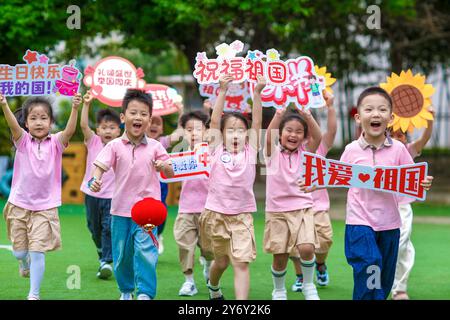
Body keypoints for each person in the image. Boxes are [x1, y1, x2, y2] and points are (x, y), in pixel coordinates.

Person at [300, 86, 433, 300]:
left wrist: (421, 182)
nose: (375, 114)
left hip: (390, 224)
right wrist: (317, 182)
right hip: (359, 221)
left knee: (384, 278)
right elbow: (337, 175)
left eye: (382, 110)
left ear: (390, 117)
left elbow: (411, 178)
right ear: (358, 117)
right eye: (369, 109)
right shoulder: (352, 149)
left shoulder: (398, 149)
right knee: (370, 262)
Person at [88, 89, 174, 300]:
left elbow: (170, 170)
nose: (139, 117)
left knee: (146, 252)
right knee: (122, 256)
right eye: (134, 113)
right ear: (123, 117)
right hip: (120, 210)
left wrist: (164, 165)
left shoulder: (155, 147)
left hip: (147, 211)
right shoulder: (115, 145)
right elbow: (99, 166)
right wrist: (95, 180)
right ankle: (126, 291)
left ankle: (145, 293)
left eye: (144, 114)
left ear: (149, 119)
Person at [1, 91, 81, 300]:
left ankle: (34, 295)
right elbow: (12, 125)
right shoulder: (23, 141)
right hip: (19, 204)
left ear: (51, 122)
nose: (39, 122)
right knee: (20, 252)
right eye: (33, 118)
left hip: (45, 207)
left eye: (44, 117)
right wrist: (3, 104)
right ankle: (22, 261)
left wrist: (74, 108)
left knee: (38, 251)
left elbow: (70, 130)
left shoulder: (56, 142)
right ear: (26, 123)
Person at [199, 74, 264, 300]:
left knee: (241, 263)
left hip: (242, 216)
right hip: (216, 214)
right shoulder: (216, 149)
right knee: (221, 262)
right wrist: (223, 91)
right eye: (231, 130)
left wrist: (256, 94)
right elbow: (215, 121)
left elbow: (256, 122)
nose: (236, 134)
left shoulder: (250, 150)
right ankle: (214, 287)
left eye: (240, 130)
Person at [264, 95, 326, 300]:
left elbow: (318, 137)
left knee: (307, 248)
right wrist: (279, 113)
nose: (293, 135)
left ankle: (309, 285)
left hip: (303, 207)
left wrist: (307, 114)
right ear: (280, 133)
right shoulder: (271, 153)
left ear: (304, 136)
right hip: (277, 210)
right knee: (280, 255)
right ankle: (279, 290)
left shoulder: (305, 152)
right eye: (289, 130)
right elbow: (267, 137)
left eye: (299, 132)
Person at [291, 92, 337, 292]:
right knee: (294, 246)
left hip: (318, 206)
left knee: (324, 241)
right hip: (293, 206)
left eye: (306, 128)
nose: (302, 133)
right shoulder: (287, 149)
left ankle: (320, 264)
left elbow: (332, 132)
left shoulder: (319, 148)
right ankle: (300, 276)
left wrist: (331, 107)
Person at [389, 106, 435, 300]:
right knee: (383, 248)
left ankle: (399, 288)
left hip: (403, 207)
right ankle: (381, 284)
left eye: (402, 135)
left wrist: (430, 120)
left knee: (402, 246)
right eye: (394, 134)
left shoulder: (408, 151)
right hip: (380, 207)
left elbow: (424, 138)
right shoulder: (378, 152)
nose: (399, 138)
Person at [79, 91, 121, 279]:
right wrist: (86, 104)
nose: (107, 131)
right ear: (98, 130)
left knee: (108, 227)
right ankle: (101, 253)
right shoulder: (93, 141)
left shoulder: (121, 145)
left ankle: (106, 261)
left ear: (119, 130)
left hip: (112, 196)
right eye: (104, 127)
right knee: (93, 227)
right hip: (91, 194)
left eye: (112, 127)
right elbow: (82, 125)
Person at [174, 110, 214, 296]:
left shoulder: (214, 152)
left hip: (209, 208)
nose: (194, 133)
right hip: (186, 208)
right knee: (185, 244)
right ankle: (189, 281)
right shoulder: (181, 154)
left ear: (207, 131)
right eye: (189, 129)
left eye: (198, 129)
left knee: (208, 248)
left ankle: (208, 265)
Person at [145, 102, 184, 254]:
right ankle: (146, 239)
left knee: (160, 212)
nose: (154, 125)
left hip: (160, 184)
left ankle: (158, 234)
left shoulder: (162, 142)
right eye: (151, 122)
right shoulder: (135, 141)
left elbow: (180, 133)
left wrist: (181, 112)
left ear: (162, 129)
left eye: (158, 123)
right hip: (141, 184)